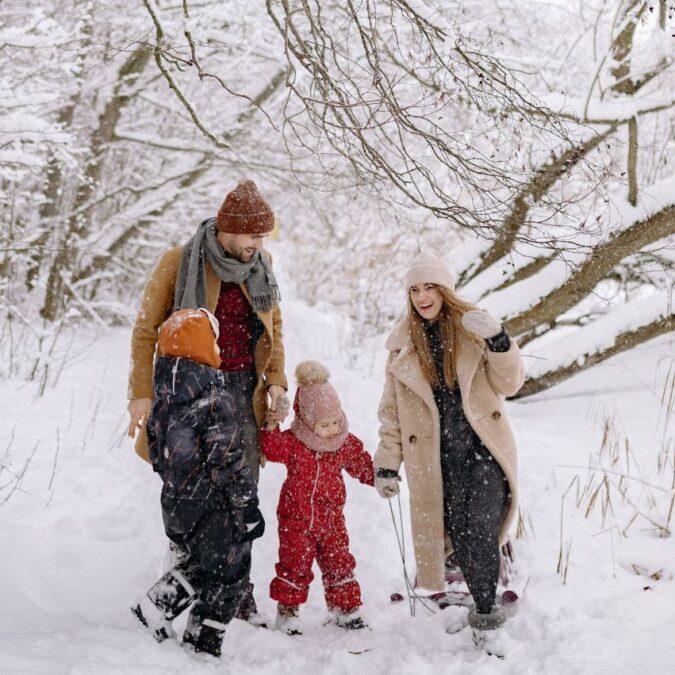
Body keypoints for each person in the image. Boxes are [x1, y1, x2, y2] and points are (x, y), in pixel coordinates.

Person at [127, 180, 289, 623]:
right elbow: (146, 330)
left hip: (245, 392)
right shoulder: (180, 262)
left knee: (241, 494)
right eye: (253, 235)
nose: (259, 244)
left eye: (263, 237)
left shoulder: (262, 265)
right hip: (189, 392)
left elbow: (274, 327)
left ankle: (237, 592)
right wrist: (140, 394)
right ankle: (183, 579)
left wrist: (277, 381)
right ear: (229, 230)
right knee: (192, 493)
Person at [374, 250, 524, 658]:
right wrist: (387, 462)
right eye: (415, 289)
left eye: (429, 287)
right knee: (459, 534)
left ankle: (487, 620)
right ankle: (483, 582)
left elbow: (510, 383)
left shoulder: (473, 327)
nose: (422, 296)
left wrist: (498, 340)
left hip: (484, 451)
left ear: (444, 290)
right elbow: (392, 414)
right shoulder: (402, 346)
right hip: (438, 463)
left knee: (477, 528)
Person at [131, 308, 265, 658]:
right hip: (213, 505)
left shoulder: (164, 398)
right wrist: (247, 505)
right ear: (206, 348)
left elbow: (157, 455)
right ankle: (201, 640)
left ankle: (167, 614)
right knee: (230, 571)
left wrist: (180, 482)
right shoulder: (213, 400)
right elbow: (228, 460)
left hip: (176, 503)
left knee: (205, 565)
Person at [260, 361, 375, 635]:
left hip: (332, 519)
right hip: (296, 520)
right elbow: (271, 448)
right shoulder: (295, 443)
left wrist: (380, 476)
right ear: (308, 423)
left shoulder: (343, 443)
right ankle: (287, 612)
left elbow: (361, 463)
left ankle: (344, 608)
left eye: (336, 421)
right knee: (294, 564)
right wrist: (272, 423)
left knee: (339, 561)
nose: (333, 429)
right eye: (325, 425)